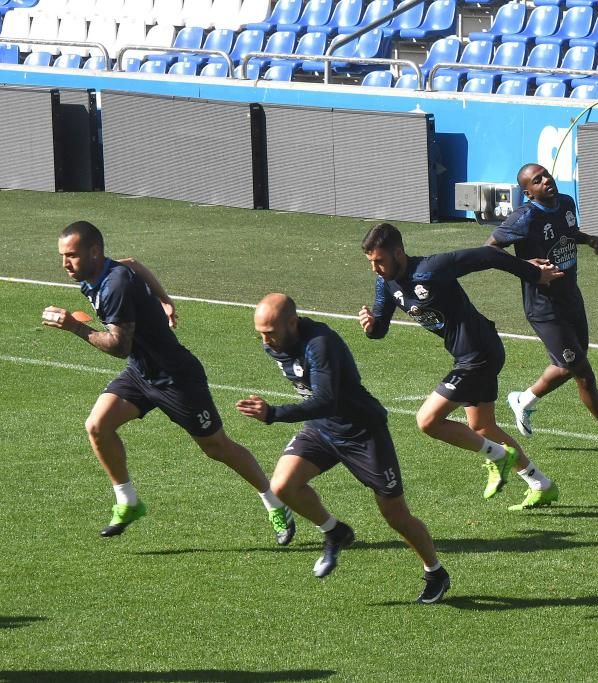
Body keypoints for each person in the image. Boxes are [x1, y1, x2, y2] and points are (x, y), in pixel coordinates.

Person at [43, 221, 295, 543]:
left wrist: (74, 327)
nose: (65, 264)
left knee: (217, 447)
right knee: (97, 425)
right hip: (141, 373)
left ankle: (274, 503)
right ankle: (128, 502)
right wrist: (165, 299)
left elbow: (119, 347)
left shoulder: (114, 286)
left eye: (72, 256)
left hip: (176, 379)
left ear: (94, 252)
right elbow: (133, 263)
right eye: (63, 256)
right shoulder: (102, 273)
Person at [236, 294, 449, 602]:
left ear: (292, 324)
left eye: (270, 331)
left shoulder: (321, 344)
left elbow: (326, 400)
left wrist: (273, 414)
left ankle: (436, 572)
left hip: (363, 433)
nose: (265, 340)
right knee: (283, 485)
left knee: (395, 514)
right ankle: (335, 531)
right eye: (260, 332)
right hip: (322, 430)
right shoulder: (275, 345)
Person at [359, 223, 561, 511]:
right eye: (371, 263)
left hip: (477, 353)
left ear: (398, 253)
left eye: (379, 261)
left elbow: (488, 256)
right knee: (482, 426)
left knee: (427, 420)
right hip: (472, 352)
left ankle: (497, 457)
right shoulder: (386, 284)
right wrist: (370, 327)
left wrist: (534, 274)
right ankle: (541, 485)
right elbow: (380, 329)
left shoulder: (431, 269)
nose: (375, 269)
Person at [487, 163, 598, 464]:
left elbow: (567, 232)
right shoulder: (523, 218)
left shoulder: (567, 203)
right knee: (583, 374)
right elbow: (488, 251)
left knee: (569, 364)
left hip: (571, 298)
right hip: (544, 309)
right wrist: (527, 267)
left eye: (546, 175)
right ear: (527, 191)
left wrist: (587, 239)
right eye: (537, 180)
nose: (546, 180)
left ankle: (523, 400)